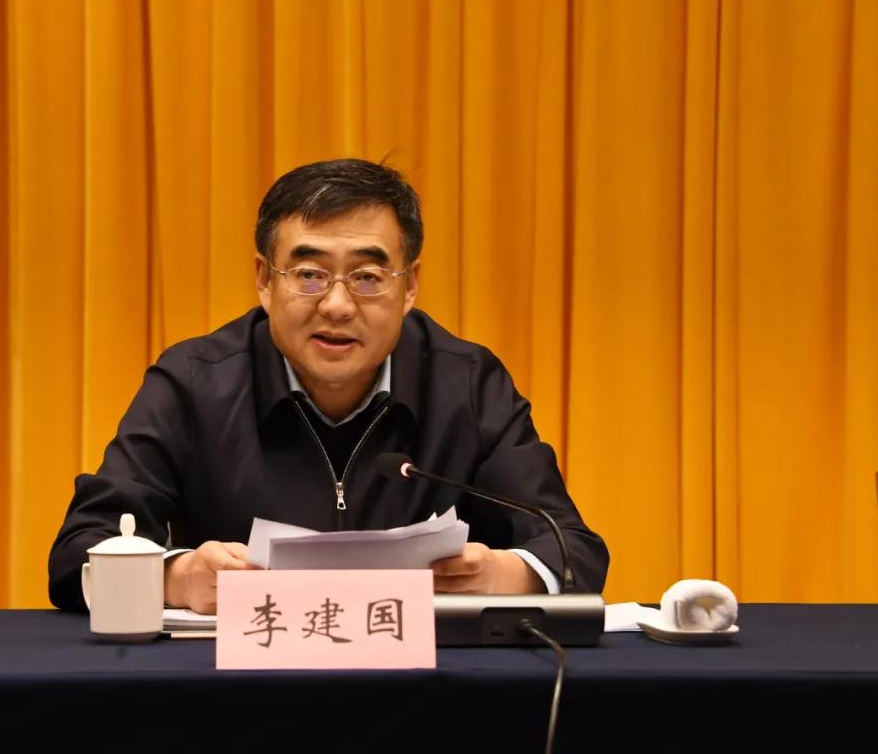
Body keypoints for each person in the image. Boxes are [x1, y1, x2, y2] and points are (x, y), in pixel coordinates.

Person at [48, 158, 608, 614]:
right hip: (236, 689)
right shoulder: (194, 382)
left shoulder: (467, 383)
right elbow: (79, 552)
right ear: (265, 280)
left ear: (410, 286)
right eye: (310, 275)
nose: (337, 306)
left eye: (367, 277)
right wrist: (176, 577)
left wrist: (504, 575)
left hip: (426, 689)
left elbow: (572, 549)